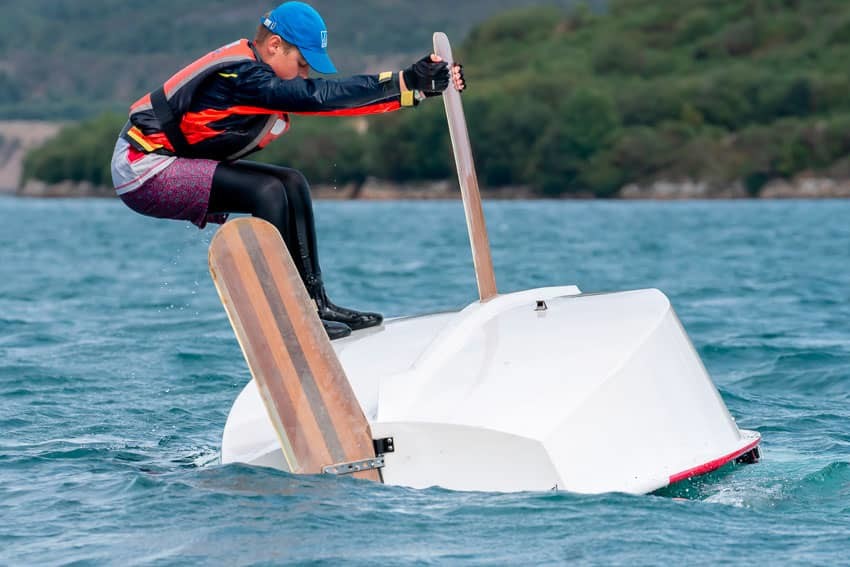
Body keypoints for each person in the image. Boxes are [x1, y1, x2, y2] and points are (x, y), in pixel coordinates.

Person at [110, 1, 465, 340]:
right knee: (266, 192)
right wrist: (404, 79)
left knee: (292, 183)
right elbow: (316, 96)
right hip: (142, 169)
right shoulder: (242, 76)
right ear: (275, 46)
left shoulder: (258, 74)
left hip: (170, 160)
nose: (305, 74)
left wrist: (416, 91)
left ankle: (315, 303)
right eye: (302, 63)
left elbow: (330, 104)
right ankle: (285, 315)